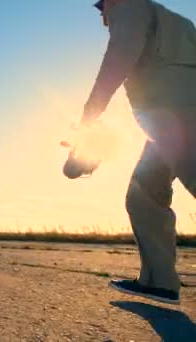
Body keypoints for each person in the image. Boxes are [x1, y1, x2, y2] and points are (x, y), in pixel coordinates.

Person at [74, 0, 196, 305]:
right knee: (143, 195)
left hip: (177, 115)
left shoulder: (127, 8)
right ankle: (159, 282)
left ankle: (159, 280)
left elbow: (118, 60)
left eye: (101, 6)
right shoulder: (177, 22)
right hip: (162, 124)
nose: (101, 13)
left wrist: (89, 117)